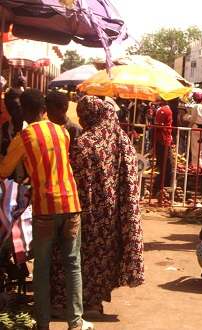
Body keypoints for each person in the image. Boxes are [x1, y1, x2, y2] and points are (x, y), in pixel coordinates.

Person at [0, 89, 92, 330]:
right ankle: (75, 322)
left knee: (41, 268)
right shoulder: (61, 132)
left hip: (45, 208)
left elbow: (4, 169)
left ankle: (43, 324)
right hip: (71, 204)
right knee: (73, 264)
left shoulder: (25, 136)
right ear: (42, 107)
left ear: (26, 110)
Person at [50, 96, 144, 314]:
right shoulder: (122, 140)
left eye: (83, 116)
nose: (81, 121)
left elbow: (73, 178)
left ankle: (69, 302)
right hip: (113, 215)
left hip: (85, 212)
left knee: (77, 256)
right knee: (102, 260)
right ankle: (94, 303)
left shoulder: (84, 143)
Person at [153, 101, 173, 196]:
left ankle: (160, 188)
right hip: (163, 140)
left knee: (165, 165)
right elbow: (158, 124)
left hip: (164, 140)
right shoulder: (164, 110)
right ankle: (158, 187)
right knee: (166, 166)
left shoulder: (163, 110)